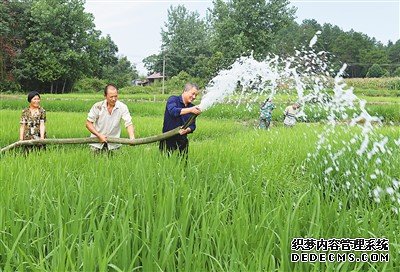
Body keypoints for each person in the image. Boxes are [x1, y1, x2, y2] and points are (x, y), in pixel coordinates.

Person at [86, 83, 135, 152]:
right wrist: (99, 135)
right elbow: (88, 123)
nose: (114, 99)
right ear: (105, 96)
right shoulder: (98, 106)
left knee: (115, 162)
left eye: (116, 96)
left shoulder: (122, 107)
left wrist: (132, 137)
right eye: (111, 97)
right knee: (94, 162)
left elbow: (128, 123)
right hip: (96, 143)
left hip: (114, 145)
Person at [159, 83, 202, 157]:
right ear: (185, 91)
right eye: (193, 94)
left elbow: (192, 126)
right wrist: (190, 110)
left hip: (182, 141)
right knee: (165, 164)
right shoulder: (173, 99)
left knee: (182, 165)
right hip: (167, 138)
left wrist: (187, 130)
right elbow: (173, 111)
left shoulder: (192, 107)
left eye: (196, 95)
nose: (194, 97)